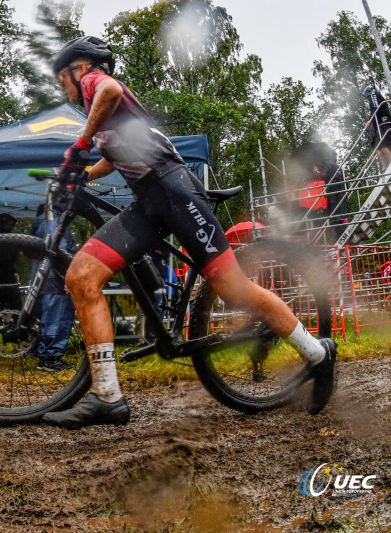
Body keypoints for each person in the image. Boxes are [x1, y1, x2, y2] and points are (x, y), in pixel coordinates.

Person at [42, 36, 336, 429]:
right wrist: (80, 176)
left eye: (64, 80)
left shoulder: (96, 81)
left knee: (235, 290)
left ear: (79, 69)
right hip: (150, 200)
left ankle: (318, 354)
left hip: (174, 191)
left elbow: (111, 90)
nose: (65, 89)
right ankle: (107, 396)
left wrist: (79, 146)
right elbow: (113, 161)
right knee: (82, 275)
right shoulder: (106, 117)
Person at [29, 204, 77, 371]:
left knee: (47, 318)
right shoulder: (54, 220)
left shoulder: (42, 220)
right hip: (56, 279)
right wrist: (67, 277)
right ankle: (51, 357)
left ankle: (44, 353)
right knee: (58, 318)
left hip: (44, 278)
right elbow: (60, 250)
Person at [363, 86, 391, 170]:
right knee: (378, 147)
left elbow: (375, 107)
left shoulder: (373, 94)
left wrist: (371, 119)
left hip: (384, 122)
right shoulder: (374, 95)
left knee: (383, 145)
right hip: (381, 124)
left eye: (365, 95)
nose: (365, 97)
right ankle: (385, 167)